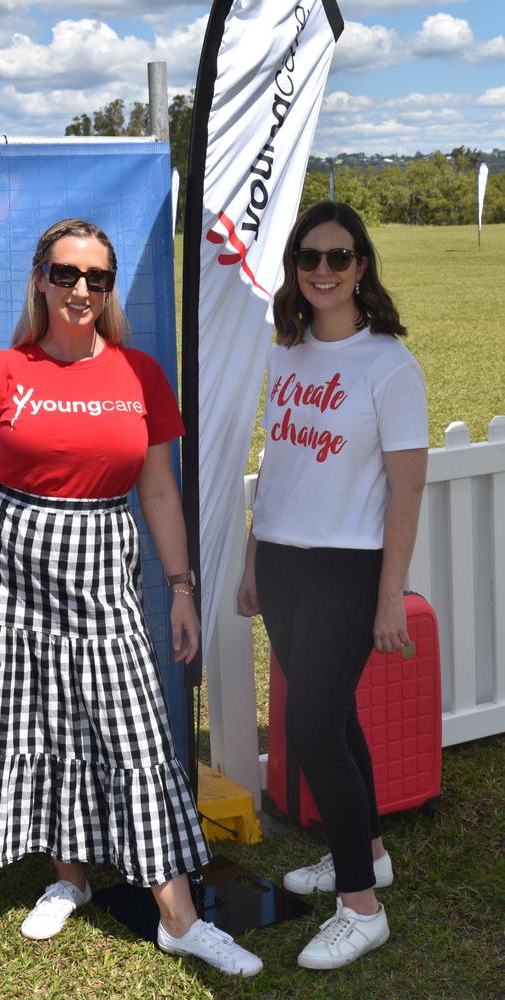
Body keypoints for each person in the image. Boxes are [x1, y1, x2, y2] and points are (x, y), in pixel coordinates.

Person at [0, 218, 262, 979]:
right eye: (66, 273)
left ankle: (178, 916)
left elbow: (160, 491)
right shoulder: (0, 372)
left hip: (104, 577)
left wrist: (180, 588)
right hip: (9, 580)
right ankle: (68, 878)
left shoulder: (140, 374)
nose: (81, 290)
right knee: (37, 722)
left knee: (134, 736)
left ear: (108, 289)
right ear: (41, 277)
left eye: (96, 279)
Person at [237, 202, 428, 971]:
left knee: (311, 726)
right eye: (308, 258)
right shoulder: (285, 352)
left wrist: (390, 595)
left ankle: (361, 906)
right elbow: (278, 466)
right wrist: (254, 557)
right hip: (282, 560)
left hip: (349, 568)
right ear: (294, 268)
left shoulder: (389, 364)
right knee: (332, 715)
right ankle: (368, 852)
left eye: (338, 258)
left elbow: (407, 490)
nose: (322, 271)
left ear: (362, 266)